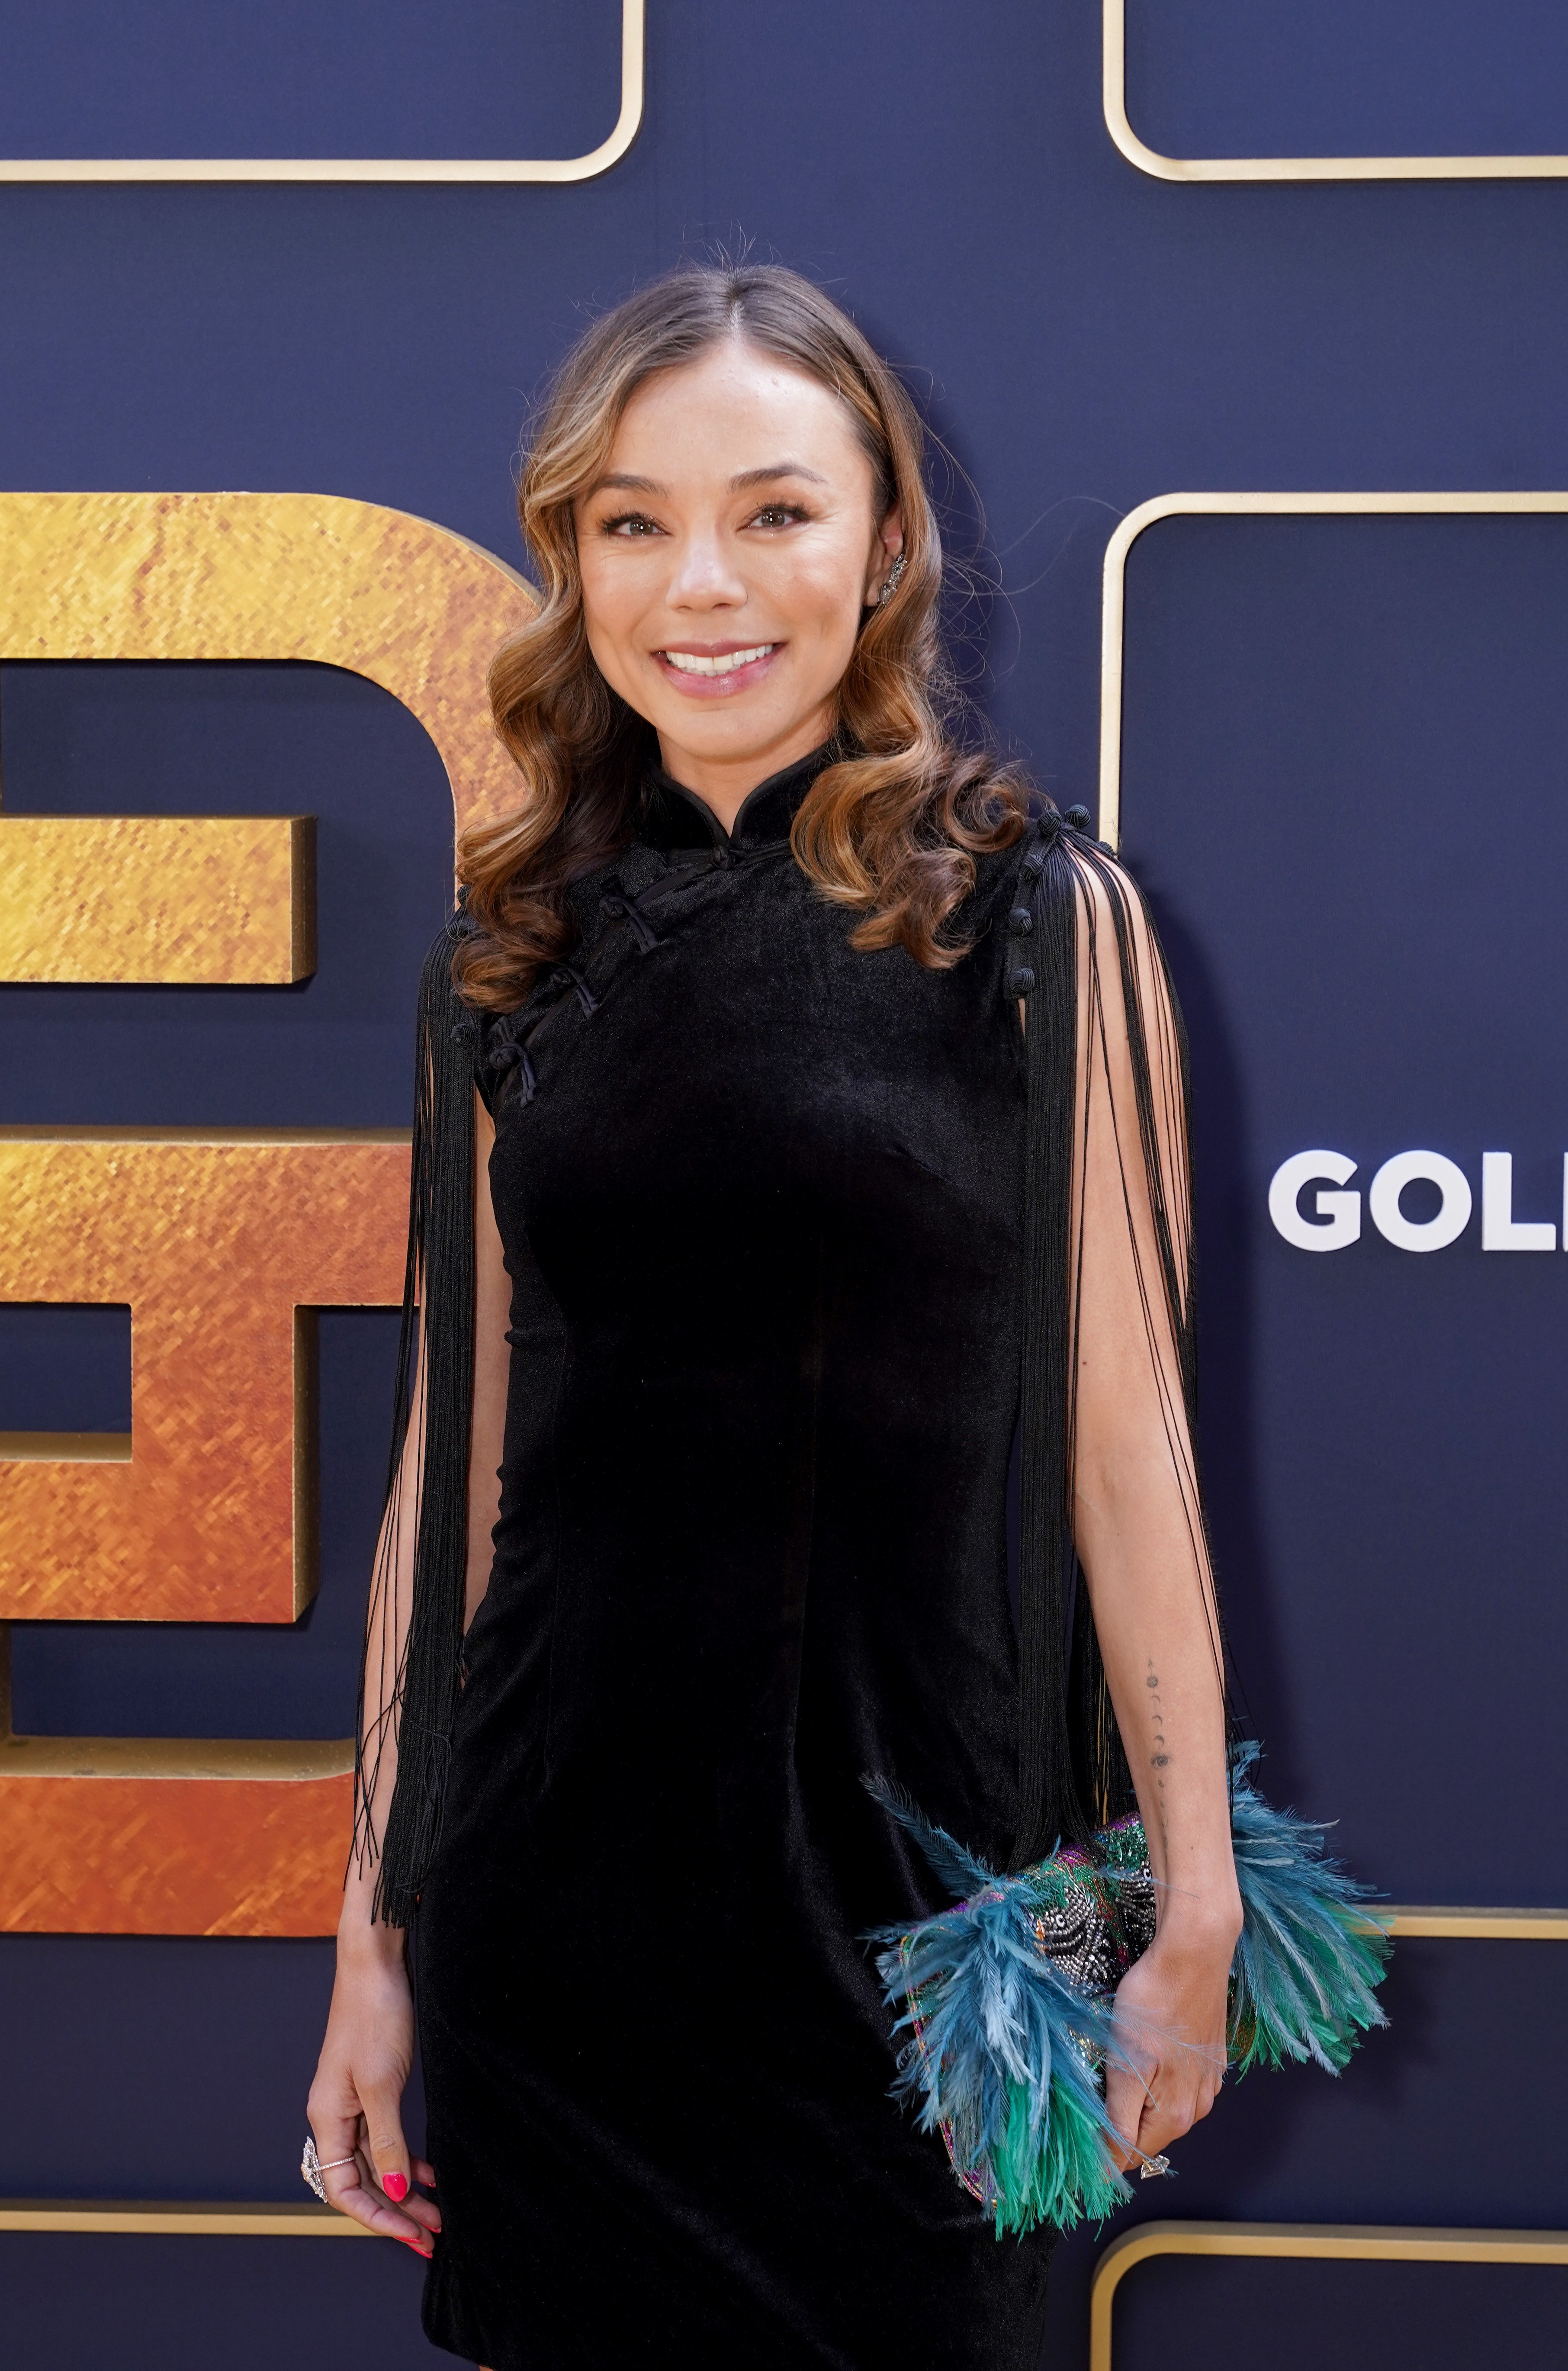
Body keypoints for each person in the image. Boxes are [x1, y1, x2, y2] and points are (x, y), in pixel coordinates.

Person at [305, 262, 1243, 2369]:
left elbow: (1125, 1438)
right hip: (558, 1915)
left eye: (774, 510)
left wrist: (1185, 1899)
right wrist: (373, 1939)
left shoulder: (1032, 914)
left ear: (885, 543)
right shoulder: (512, 949)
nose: (698, 584)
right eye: (629, 521)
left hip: (936, 1934)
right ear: (570, 558)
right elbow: (447, 1484)